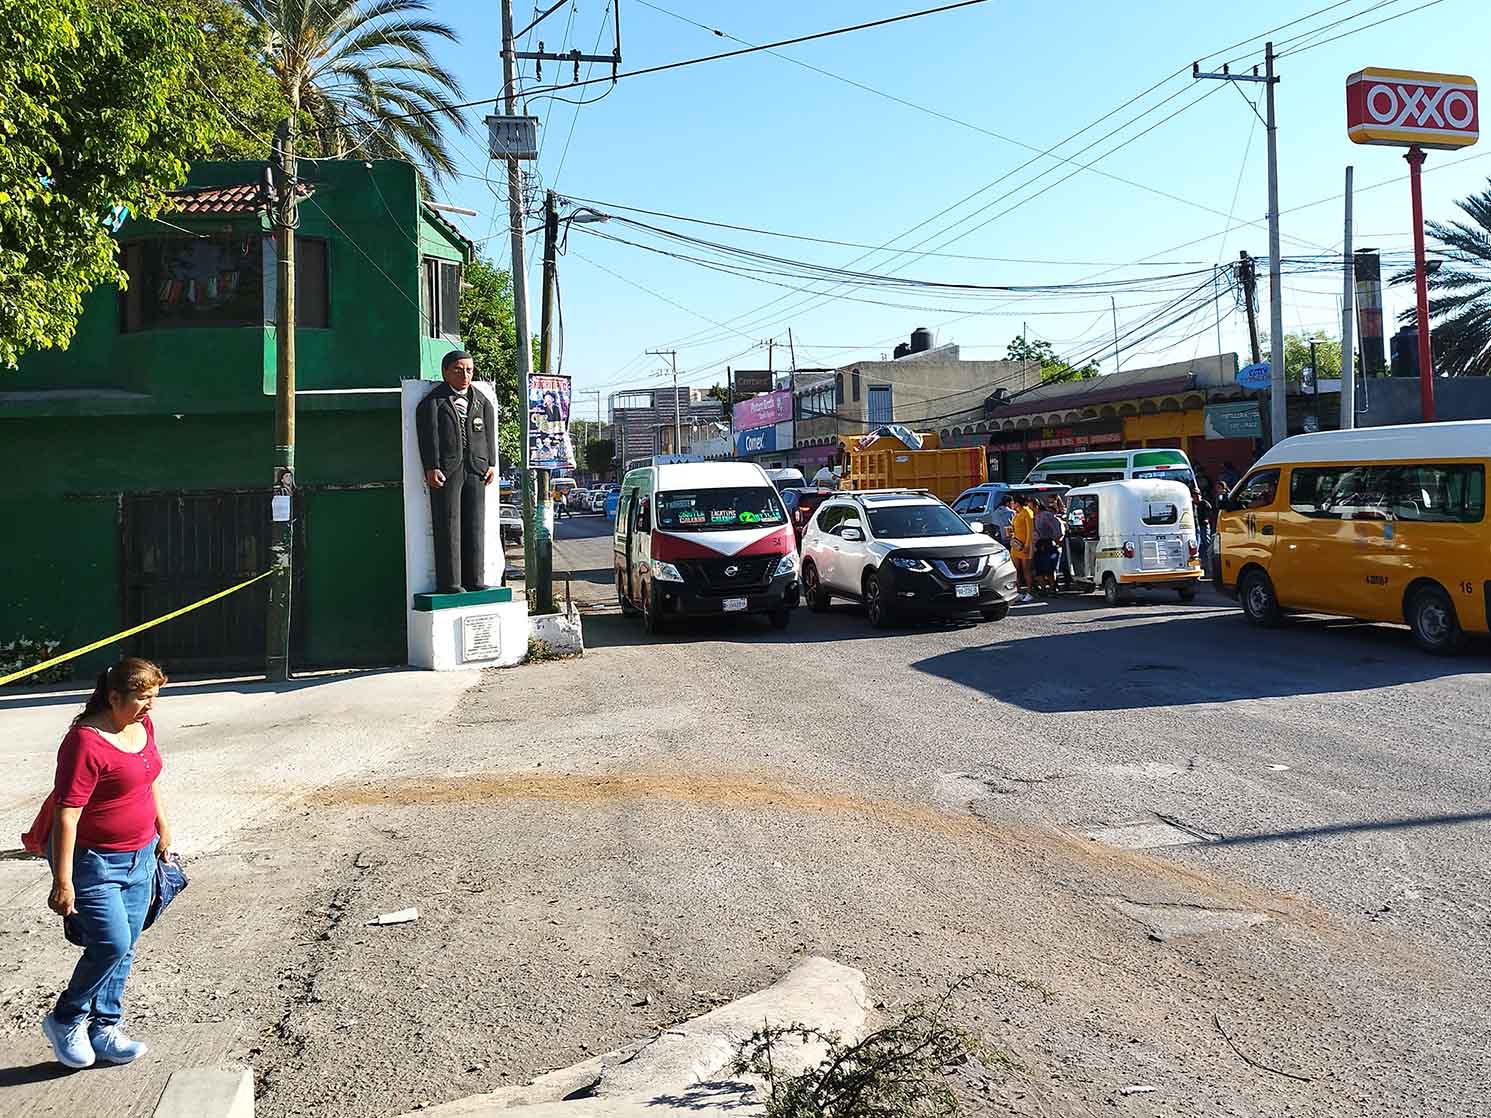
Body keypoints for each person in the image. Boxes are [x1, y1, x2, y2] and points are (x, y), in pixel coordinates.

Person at [37, 657, 171, 1069]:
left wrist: (162, 827)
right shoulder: (85, 742)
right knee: (110, 943)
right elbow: (67, 813)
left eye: (155, 697)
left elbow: (149, 779)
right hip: (95, 863)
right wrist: (63, 880)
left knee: (126, 947)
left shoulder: (140, 725)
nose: (151, 706)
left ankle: (105, 1027)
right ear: (114, 697)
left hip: (142, 855)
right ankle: (66, 1018)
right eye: (143, 698)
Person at [416, 351, 497, 593]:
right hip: (448, 470)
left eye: (469, 370)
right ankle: (450, 581)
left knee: (475, 524)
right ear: (445, 372)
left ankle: (475, 578)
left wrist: (491, 463)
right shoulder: (432, 403)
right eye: (458, 370)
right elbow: (428, 437)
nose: (465, 375)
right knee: (448, 523)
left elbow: (489, 435)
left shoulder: (482, 401)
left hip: (477, 468)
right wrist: (431, 466)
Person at [1032, 497, 1066, 595]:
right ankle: (1043, 589)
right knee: (1039, 569)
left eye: (1031, 506)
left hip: (1047, 543)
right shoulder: (1034, 517)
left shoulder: (1046, 515)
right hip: (1038, 545)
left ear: (1037, 506)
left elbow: (1056, 528)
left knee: (1049, 568)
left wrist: (1056, 539)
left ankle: (1053, 587)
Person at [1009, 495, 1035, 603]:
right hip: (1016, 545)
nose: (1012, 504)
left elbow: (1030, 530)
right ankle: (1018, 592)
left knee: (1026, 570)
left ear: (1018, 503)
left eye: (1013, 502)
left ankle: (1029, 592)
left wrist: (1027, 545)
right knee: (1016, 569)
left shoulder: (1027, 512)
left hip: (1024, 545)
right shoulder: (1016, 514)